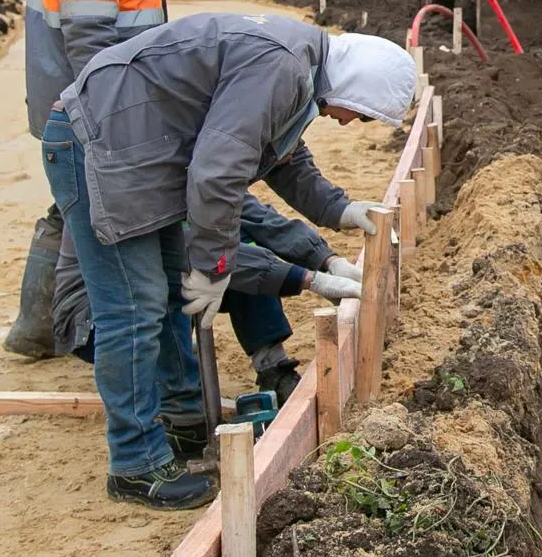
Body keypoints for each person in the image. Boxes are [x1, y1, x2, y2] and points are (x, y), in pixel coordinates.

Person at [45, 13, 416, 509]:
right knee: (134, 307)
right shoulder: (284, 67)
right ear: (353, 90)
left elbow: (281, 155)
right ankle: (135, 465)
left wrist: (339, 210)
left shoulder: (296, 67)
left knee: (169, 296)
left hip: (138, 149)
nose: (352, 124)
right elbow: (218, 176)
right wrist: (216, 268)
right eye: (362, 115)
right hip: (99, 145)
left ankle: (181, 421)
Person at [5, 0, 184, 359]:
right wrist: (112, 116)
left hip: (72, 96)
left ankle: (34, 330)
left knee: (71, 208)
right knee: (85, 212)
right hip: (86, 99)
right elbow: (90, 37)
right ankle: (49, 327)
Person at [48, 194, 362, 461]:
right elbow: (191, 253)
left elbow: (253, 215)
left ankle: (273, 368)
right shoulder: (136, 182)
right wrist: (306, 279)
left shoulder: (196, 164)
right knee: (222, 260)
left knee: (233, 239)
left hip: (157, 293)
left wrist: (326, 260)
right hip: (98, 322)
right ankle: (178, 419)